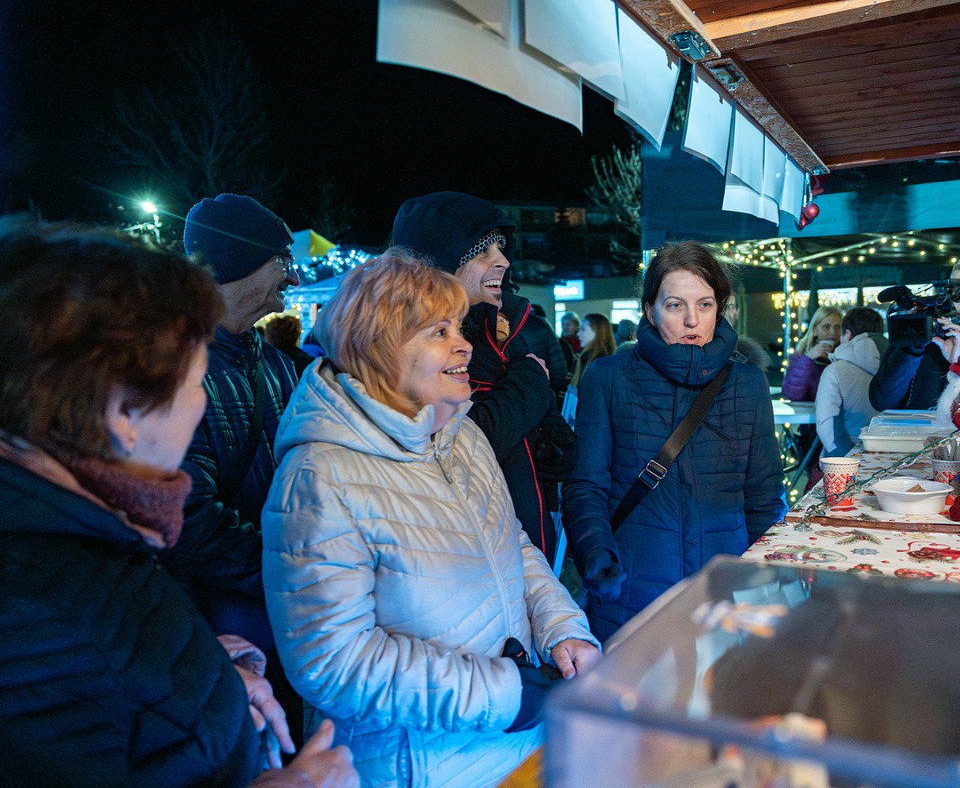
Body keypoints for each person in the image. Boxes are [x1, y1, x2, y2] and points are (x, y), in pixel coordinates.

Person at [0, 217, 356, 788]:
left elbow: (115, 692)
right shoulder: (34, 620)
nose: (200, 402)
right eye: (193, 382)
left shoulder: (86, 531)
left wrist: (203, 668)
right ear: (123, 417)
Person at [262, 252, 600, 788]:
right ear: (381, 348)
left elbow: (509, 541)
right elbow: (335, 663)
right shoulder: (319, 475)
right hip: (419, 768)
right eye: (438, 332)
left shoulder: (460, 434)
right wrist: (504, 694)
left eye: (459, 327)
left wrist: (562, 629)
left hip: (516, 747)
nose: (463, 345)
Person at [563, 241, 786, 642]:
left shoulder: (748, 382)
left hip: (723, 597)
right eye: (675, 306)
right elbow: (586, 486)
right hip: (631, 596)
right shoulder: (608, 378)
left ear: (720, 308)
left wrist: (760, 579)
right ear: (650, 309)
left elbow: (764, 496)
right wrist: (596, 554)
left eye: (704, 305)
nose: (692, 321)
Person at [391, 191, 574, 567]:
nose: (504, 262)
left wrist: (555, 441)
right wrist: (530, 383)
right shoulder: (412, 349)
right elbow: (461, 444)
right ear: (439, 264)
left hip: (526, 550)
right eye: (482, 253)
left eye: (502, 250)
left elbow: (519, 418)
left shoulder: (505, 328)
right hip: (468, 558)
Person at [164, 193, 300, 661]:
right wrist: (295, 570)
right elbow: (186, 520)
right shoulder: (169, 371)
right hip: (222, 628)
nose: (295, 275)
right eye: (283, 259)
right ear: (240, 262)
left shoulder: (280, 365)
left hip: (281, 606)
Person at [869, 256, 960, 411]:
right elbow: (882, 401)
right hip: (915, 433)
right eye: (958, 291)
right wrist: (911, 349)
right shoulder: (927, 333)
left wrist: (959, 365)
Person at [814, 307, 888, 458]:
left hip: (849, 459)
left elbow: (829, 429)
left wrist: (849, 462)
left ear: (847, 334)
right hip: (894, 456)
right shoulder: (900, 365)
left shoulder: (834, 371)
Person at [781, 306, 843, 401]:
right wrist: (807, 359)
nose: (833, 332)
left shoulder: (846, 354)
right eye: (826, 327)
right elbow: (792, 393)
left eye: (837, 327)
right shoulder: (801, 354)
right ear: (815, 330)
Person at [571, 312, 617, 385]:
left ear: (598, 331)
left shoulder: (603, 363)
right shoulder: (583, 356)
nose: (578, 334)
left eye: (583, 329)